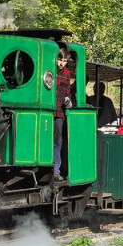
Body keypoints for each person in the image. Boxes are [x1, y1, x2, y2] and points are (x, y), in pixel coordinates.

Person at [53, 49, 72, 181]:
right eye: (60, 60)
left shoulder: (66, 73)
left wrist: (68, 99)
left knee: (58, 140)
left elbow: (67, 91)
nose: (62, 63)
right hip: (48, 109)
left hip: (59, 111)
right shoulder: (49, 69)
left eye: (64, 61)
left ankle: (56, 169)